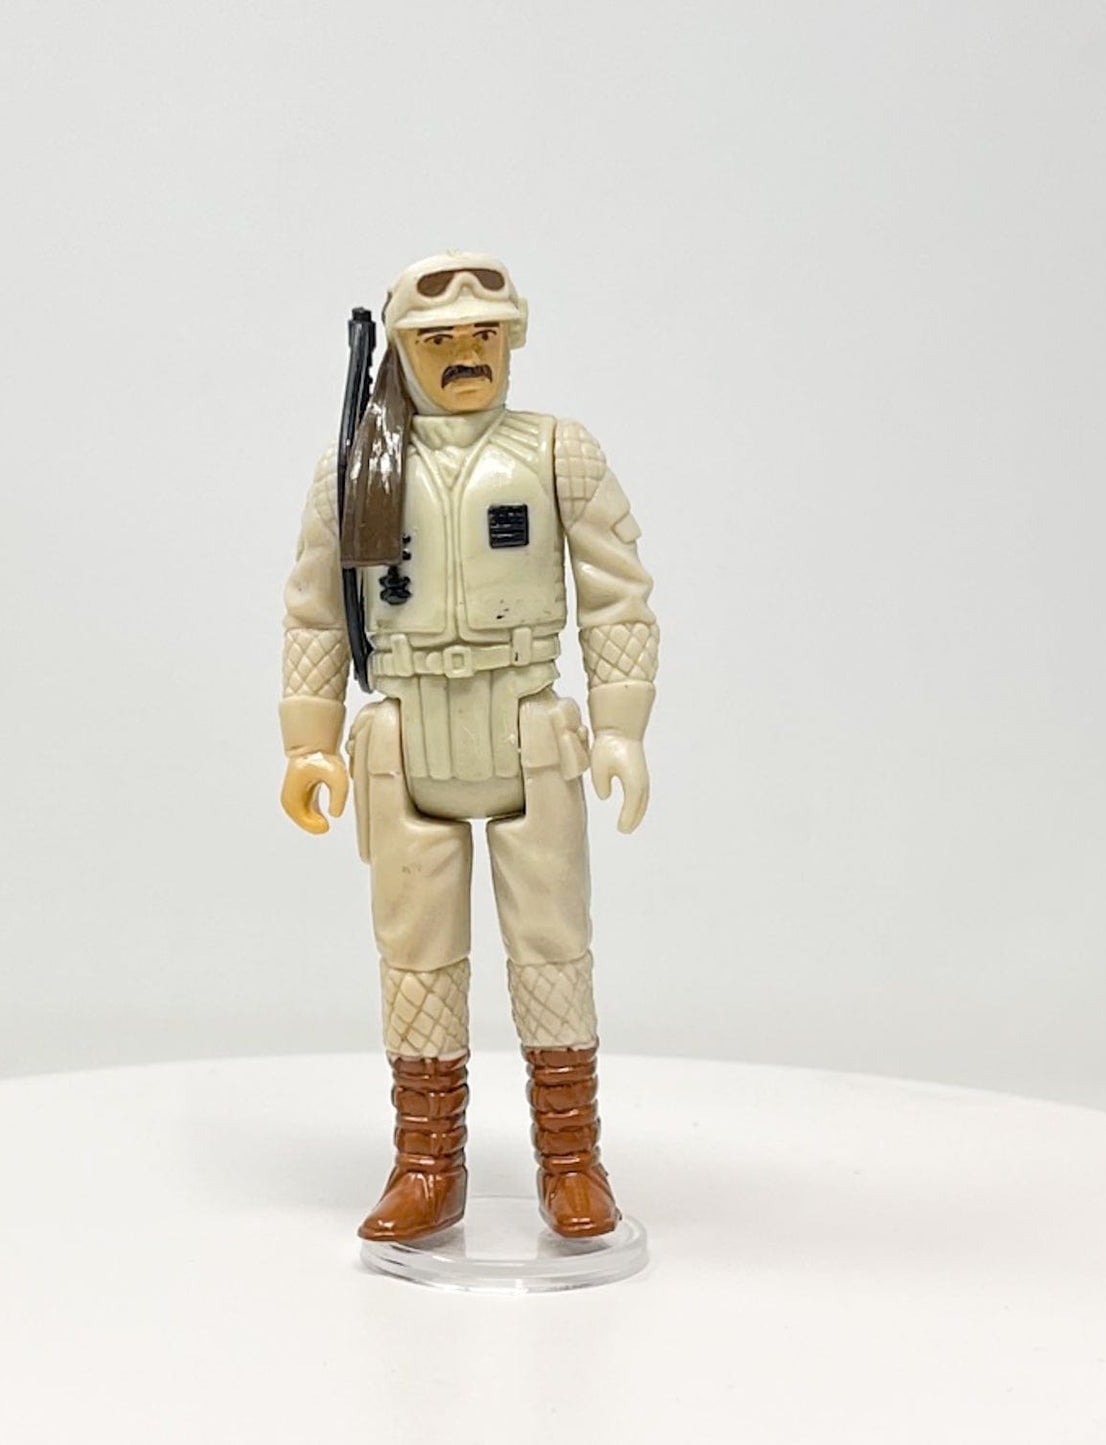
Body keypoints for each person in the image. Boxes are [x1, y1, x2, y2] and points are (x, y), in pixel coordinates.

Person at [279, 252, 659, 1240]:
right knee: (416, 960)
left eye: (483, 334)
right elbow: (315, 611)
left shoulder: (557, 453)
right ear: (402, 351)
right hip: (405, 731)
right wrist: (308, 740)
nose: (464, 354)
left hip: (525, 721)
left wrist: (619, 722)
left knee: (552, 951)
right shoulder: (355, 465)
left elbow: (616, 592)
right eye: (439, 339)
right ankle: (425, 1162)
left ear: (511, 339)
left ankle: (570, 1160)